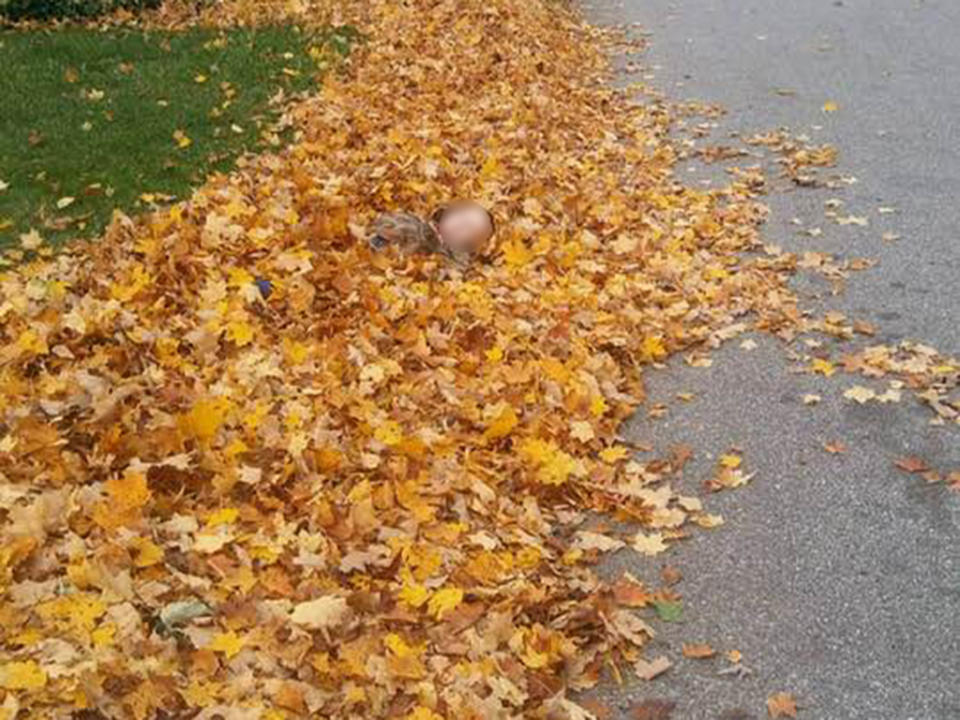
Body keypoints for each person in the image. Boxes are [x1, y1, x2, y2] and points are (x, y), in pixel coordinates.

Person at [368, 200, 495, 265]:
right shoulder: (413, 219)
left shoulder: (450, 264)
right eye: (462, 217)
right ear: (450, 212)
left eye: (470, 228)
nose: (462, 225)